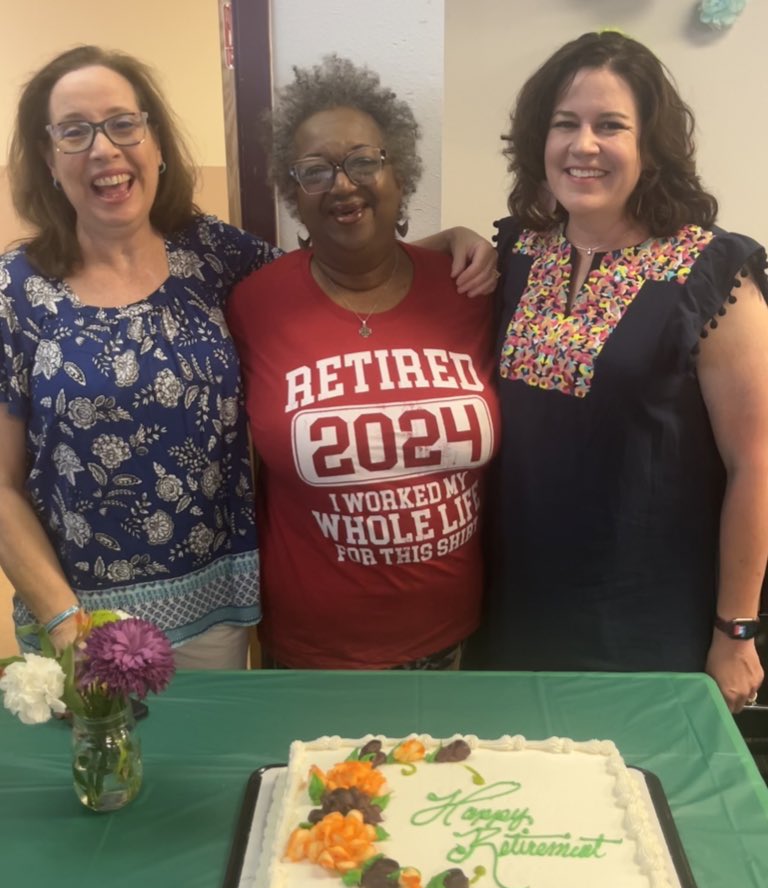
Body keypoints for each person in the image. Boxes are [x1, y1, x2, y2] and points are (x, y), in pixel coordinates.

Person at [0, 46, 496, 670]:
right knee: (105, 768)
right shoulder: (15, 292)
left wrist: (449, 245)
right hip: (81, 620)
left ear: (155, 141)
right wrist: (67, 624)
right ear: (49, 157)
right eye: (75, 132)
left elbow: (339, 266)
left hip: (218, 612)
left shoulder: (213, 257)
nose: (104, 149)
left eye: (124, 124)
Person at [465, 30, 768, 713]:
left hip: (649, 626)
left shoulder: (714, 273)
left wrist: (736, 630)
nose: (583, 145)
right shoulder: (518, 252)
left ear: (650, 146)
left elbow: (756, 464)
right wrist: (448, 238)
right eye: (564, 124)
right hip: (516, 614)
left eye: (611, 126)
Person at [227, 55, 500, 670]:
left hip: (454, 641)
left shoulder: (469, 290)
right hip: (313, 653)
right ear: (294, 193)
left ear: (398, 171)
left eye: (363, 161)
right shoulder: (255, 305)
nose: (343, 185)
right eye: (315, 171)